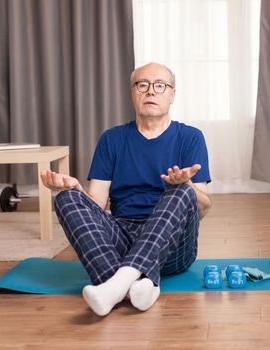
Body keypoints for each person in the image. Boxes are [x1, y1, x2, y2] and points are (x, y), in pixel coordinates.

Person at [40, 62, 211, 316]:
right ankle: (141, 286)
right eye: (143, 85)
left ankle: (115, 286)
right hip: (121, 238)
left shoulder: (191, 137)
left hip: (173, 247)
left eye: (160, 86)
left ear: (172, 94)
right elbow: (97, 205)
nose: (151, 91)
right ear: (133, 92)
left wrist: (185, 184)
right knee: (66, 199)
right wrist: (76, 189)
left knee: (182, 190)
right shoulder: (112, 139)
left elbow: (204, 208)